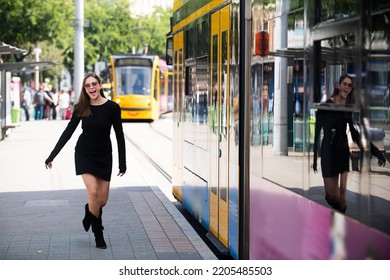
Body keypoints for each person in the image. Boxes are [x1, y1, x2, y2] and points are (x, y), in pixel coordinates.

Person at [44, 73, 126, 249]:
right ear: (84, 89)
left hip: (104, 156)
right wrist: (52, 156)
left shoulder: (112, 108)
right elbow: (68, 133)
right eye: (87, 86)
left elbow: (119, 136)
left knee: (102, 200)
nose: (91, 88)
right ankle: (99, 234)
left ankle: (89, 212)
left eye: (94, 84)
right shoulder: (81, 107)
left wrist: (122, 162)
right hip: (84, 154)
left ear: (100, 85)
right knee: (94, 193)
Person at [313, 73, 386, 213]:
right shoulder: (325, 107)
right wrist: (315, 159)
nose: (347, 87)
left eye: (350, 85)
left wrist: (376, 153)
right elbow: (317, 133)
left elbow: (355, 134)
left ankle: (341, 226)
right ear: (338, 85)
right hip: (328, 153)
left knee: (342, 196)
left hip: (342, 151)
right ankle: (336, 216)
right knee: (331, 196)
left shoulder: (347, 109)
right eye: (345, 84)